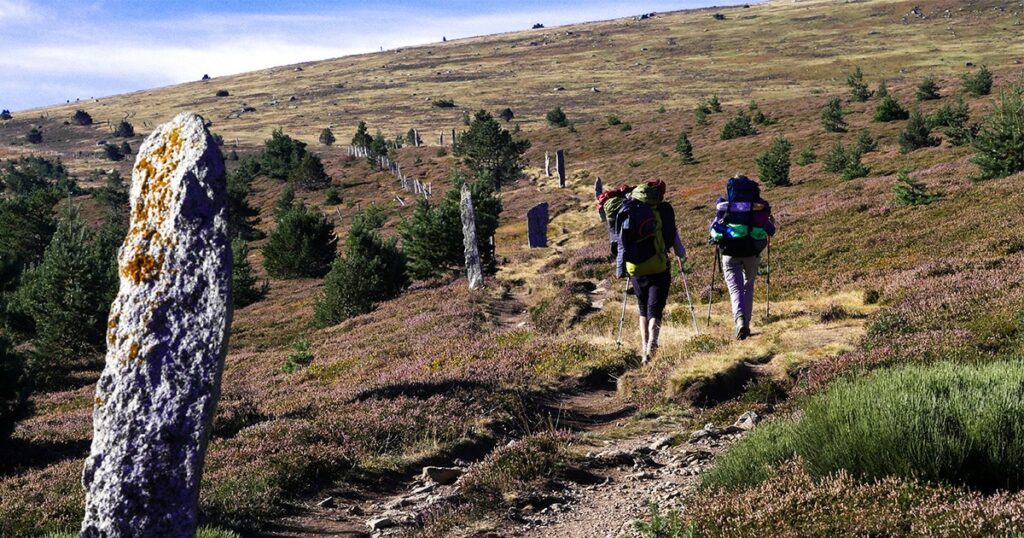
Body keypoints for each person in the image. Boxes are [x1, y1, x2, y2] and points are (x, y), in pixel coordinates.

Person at [614, 180, 686, 363]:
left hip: (635, 268)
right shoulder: (661, 213)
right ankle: (652, 345)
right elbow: (680, 250)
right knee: (655, 309)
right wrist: (679, 254)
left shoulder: (629, 210)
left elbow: (619, 244)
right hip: (658, 266)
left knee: (643, 308)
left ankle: (644, 346)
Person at [708, 174, 776, 340]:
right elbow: (770, 231)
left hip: (729, 254)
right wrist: (770, 222)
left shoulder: (725, 207)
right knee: (748, 287)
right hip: (751, 252)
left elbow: (714, 232)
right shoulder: (757, 208)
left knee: (735, 289)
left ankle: (739, 321)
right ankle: (746, 323)